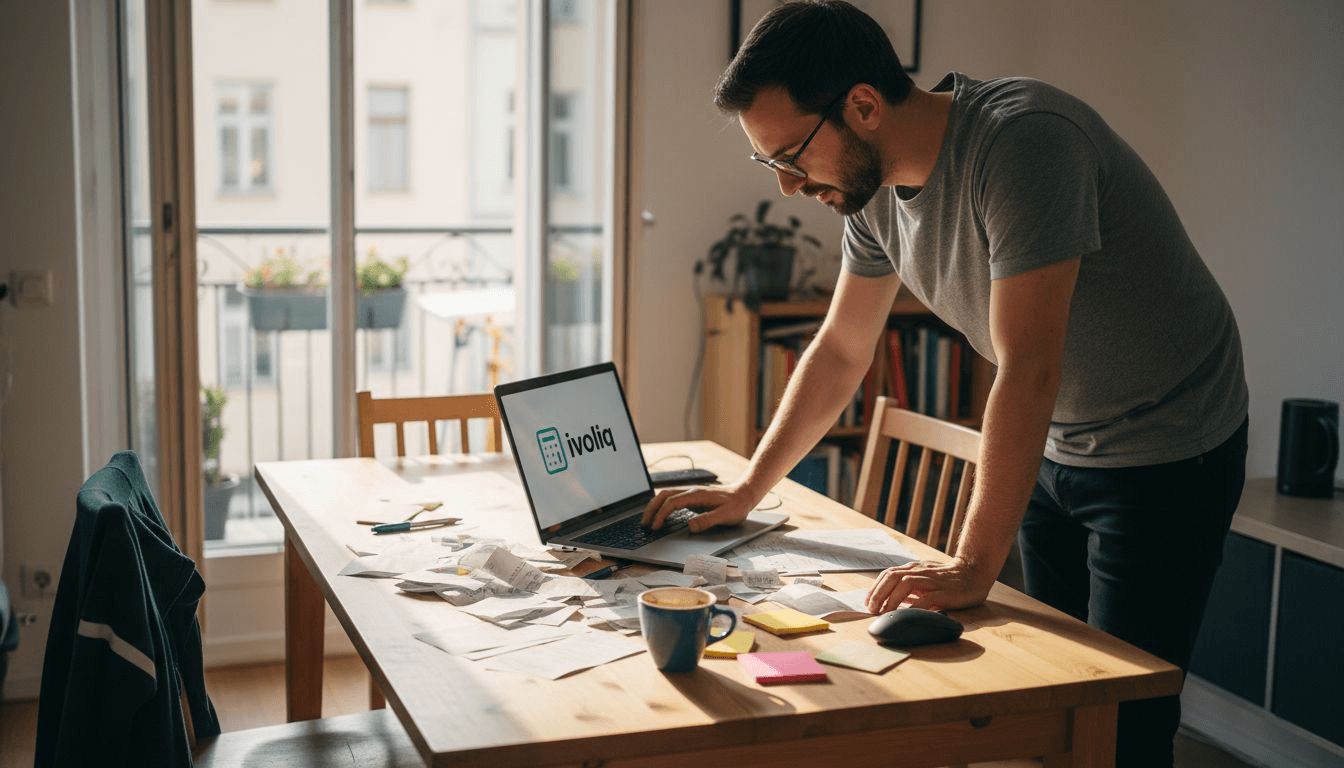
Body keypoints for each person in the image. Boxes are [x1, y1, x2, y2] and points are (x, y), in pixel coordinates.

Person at [641, 2, 1249, 766]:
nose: (790, 186)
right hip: (1057, 436)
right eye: (773, 166)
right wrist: (747, 491)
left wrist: (969, 564)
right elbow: (842, 349)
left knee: (1124, 719)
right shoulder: (870, 195)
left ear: (864, 106)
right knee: (1055, 698)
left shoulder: (1024, 143)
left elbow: (1028, 367)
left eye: (791, 155)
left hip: (1168, 443)